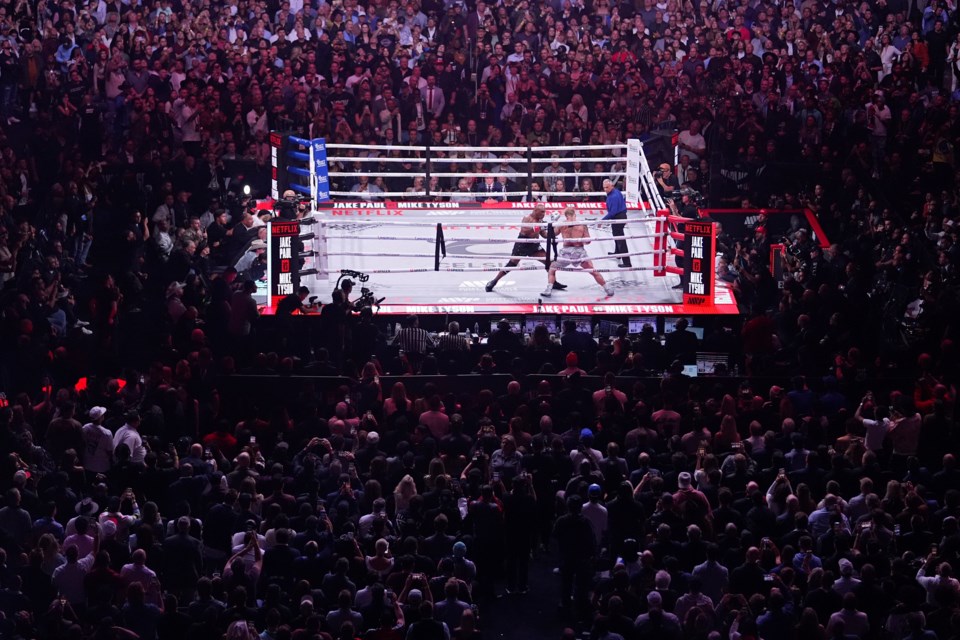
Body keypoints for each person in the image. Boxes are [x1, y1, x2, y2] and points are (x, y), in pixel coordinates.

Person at [485, 204, 565, 292]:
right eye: (542, 212)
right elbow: (525, 230)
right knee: (511, 264)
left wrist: (553, 231)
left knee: (549, 263)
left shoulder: (540, 221)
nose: (544, 214)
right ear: (535, 210)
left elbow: (544, 235)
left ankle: (553, 283)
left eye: (544, 212)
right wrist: (541, 226)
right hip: (522, 244)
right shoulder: (527, 218)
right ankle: (494, 281)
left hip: (534, 244)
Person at [542, 207, 613, 297]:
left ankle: (548, 289)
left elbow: (551, 235)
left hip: (565, 253)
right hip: (579, 252)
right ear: (574, 214)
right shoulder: (582, 225)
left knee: (552, 268)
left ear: (566, 215)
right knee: (593, 271)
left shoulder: (561, 224)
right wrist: (579, 239)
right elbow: (588, 241)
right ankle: (607, 289)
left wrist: (552, 223)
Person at [601, 180, 631, 268]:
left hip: (618, 217)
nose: (605, 189)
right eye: (604, 187)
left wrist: (602, 220)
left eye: (607, 187)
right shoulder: (616, 192)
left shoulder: (613, 196)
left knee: (620, 239)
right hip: (620, 216)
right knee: (616, 235)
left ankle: (627, 262)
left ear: (612, 186)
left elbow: (613, 212)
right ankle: (618, 253)